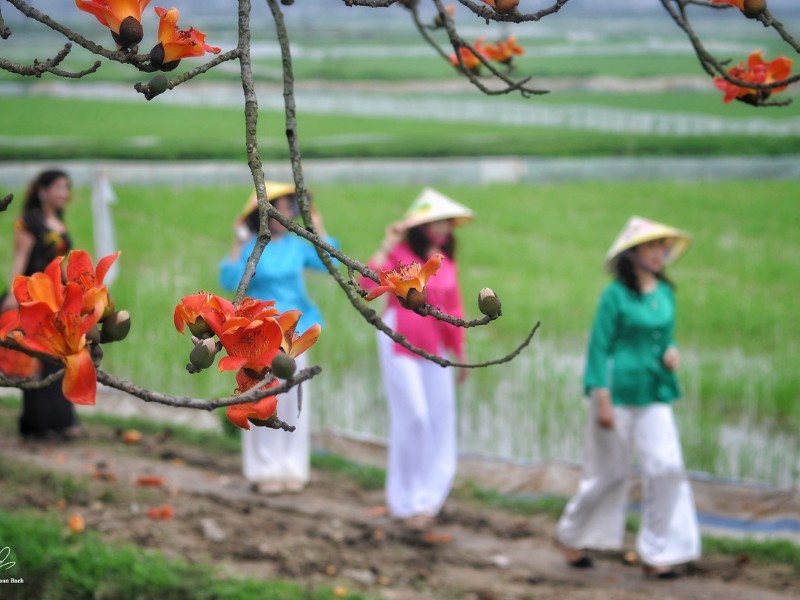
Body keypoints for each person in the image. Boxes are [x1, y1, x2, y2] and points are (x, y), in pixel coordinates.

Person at [554, 215, 701, 578]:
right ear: (633, 253)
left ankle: (658, 552)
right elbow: (599, 347)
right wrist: (600, 396)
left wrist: (672, 352)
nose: (660, 253)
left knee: (666, 467)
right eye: (653, 246)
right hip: (615, 394)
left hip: (653, 390)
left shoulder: (665, 292)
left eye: (663, 246)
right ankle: (570, 535)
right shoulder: (614, 296)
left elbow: (665, 338)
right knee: (608, 475)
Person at [361, 187, 472, 531]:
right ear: (419, 226)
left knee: (440, 421)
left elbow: (453, 309)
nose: (441, 229)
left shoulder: (446, 263)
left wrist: (460, 352)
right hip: (399, 340)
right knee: (415, 418)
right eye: (434, 223)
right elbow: (366, 285)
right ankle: (404, 500)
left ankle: (428, 500)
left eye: (446, 223)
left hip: (434, 347)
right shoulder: (401, 255)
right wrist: (386, 243)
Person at [219, 182, 337, 494]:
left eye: (289, 205)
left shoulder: (298, 247)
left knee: (294, 400)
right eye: (280, 205)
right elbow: (230, 279)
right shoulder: (251, 249)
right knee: (259, 399)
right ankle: (263, 468)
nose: (287, 211)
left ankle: (293, 468)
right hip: (258, 337)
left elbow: (331, 262)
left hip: (295, 334)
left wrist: (318, 227)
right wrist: (237, 240)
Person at [1, 169, 79, 440]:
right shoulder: (28, 223)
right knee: (36, 363)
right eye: (58, 187)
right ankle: (37, 424)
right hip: (33, 300)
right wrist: (12, 302)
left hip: (56, 301)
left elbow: (63, 265)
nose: (64, 193)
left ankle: (61, 420)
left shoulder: (58, 221)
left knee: (60, 358)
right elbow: (20, 262)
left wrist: (78, 294)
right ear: (42, 191)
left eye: (66, 188)